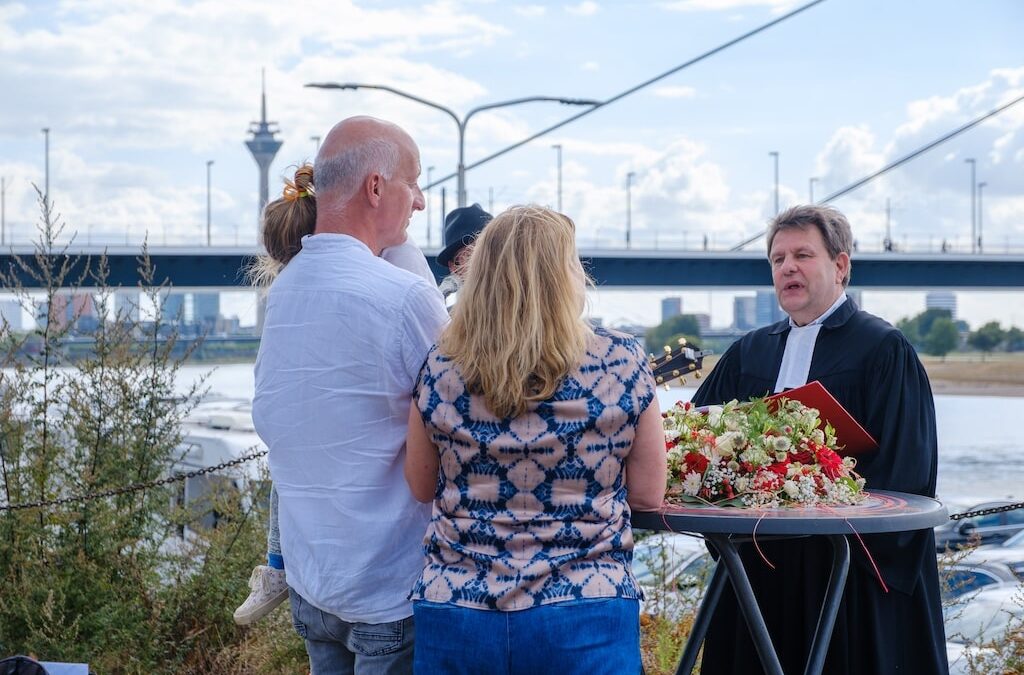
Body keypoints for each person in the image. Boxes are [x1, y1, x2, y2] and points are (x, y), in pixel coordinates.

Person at [404, 205, 667, 675]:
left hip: (458, 604)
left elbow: (422, 485)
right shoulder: (621, 360)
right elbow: (648, 494)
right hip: (587, 605)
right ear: (566, 276)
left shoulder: (441, 364)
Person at [692, 204, 947, 675]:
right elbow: (696, 444)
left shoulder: (883, 349)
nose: (787, 267)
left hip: (842, 572)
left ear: (840, 265)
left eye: (803, 255)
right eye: (778, 259)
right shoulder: (748, 351)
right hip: (758, 565)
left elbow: (907, 471)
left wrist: (819, 491)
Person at [252, 116, 448, 672]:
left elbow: (273, 415)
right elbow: (462, 409)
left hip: (312, 583)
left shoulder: (284, 292)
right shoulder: (404, 298)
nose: (421, 202)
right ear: (376, 187)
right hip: (389, 588)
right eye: (414, 182)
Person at [435, 203, 491, 300]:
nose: (482, 260)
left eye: (489, 251)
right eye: (469, 255)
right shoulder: (441, 309)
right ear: (454, 267)